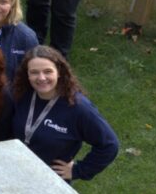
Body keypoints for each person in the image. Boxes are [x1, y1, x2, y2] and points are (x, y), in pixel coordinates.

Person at [12, 46, 118, 182]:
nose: (41, 78)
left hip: (50, 181)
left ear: (59, 72)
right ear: (27, 74)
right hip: (17, 171)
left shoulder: (78, 107)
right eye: (34, 72)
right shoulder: (22, 95)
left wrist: (79, 170)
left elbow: (109, 144)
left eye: (48, 71)